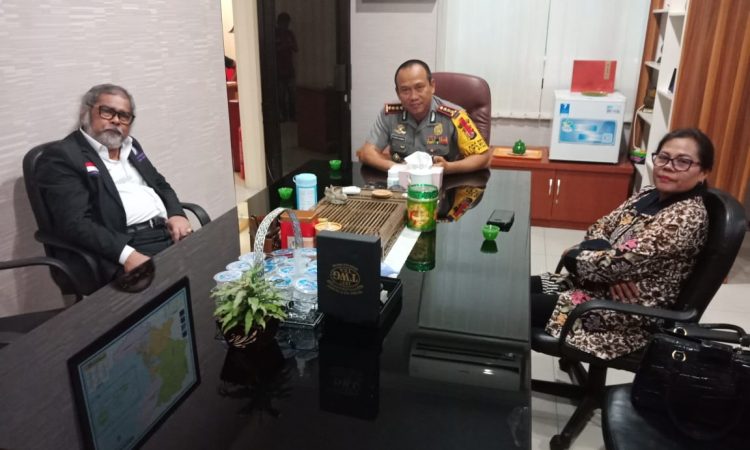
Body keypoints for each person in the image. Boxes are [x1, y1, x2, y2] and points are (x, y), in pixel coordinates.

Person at [531, 128, 714, 360]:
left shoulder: (685, 217)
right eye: (664, 157)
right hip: (591, 286)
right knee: (512, 289)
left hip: (620, 314)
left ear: (703, 172)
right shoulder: (648, 194)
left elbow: (614, 264)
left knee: (512, 306)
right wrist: (610, 264)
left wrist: (572, 255)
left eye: (683, 162)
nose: (668, 166)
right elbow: (600, 228)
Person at [36, 84, 193, 287]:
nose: (116, 120)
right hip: (123, 246)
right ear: (85, 113)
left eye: (124, 115)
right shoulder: (63, 156)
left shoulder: (131, 146)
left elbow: (159, 184)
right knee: (181, 290)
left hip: (168, 233)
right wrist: (126, 255)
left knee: (217, 264)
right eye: (107, 112)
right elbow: (75, 223)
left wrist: (176, 213)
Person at [356, 59, 491, 175]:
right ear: (398, 92)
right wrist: (397, 168)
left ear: (432, 86)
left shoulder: (455, 116)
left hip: (442, 186)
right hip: (401, 184)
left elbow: (483, 157)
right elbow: (367, 153)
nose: (413, 97)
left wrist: (449, 168)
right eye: (405, 90)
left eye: (419, 87)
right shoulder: (390, 114)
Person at [275, 12, 298, 121]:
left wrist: (290, 44)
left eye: (287, 23)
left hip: (289, 70)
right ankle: (283, 117)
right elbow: (272, 50)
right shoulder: (274, 34)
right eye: (284, 23)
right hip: (279, 70)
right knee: (281, 96)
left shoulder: (290, 34)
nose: (286, 26)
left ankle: (292, 116)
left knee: (292, 95)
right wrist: (283, 46)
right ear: (279, 23)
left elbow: (296, 48)